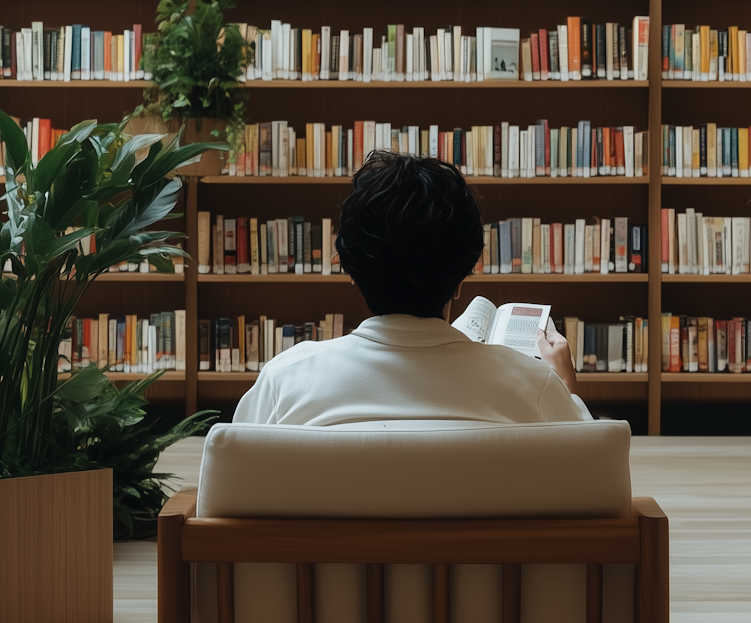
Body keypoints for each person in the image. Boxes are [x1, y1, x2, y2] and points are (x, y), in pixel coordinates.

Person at [232, 152, 591, 426]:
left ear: (353, 271)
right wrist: (566, 388)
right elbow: (589, 473)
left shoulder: (284, 382)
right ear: (461, 277)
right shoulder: (532, 386)